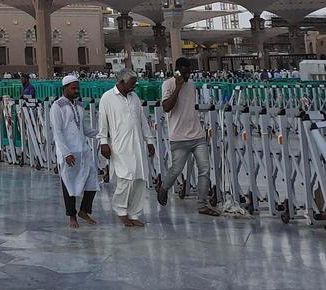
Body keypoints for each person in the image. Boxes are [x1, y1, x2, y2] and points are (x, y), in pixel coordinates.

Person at [98, 69, 155, 228]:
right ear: (122, 82)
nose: (135, 86)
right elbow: (103, 121)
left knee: (139, 178)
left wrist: (149, 140)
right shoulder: (107, 97)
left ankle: (134, 213)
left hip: (137, 145)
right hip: (119, 145)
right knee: (125, 178)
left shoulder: (134, 97)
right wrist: (103, 142)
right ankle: (121, 210)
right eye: (132, 83)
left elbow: (142, 120)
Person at [160, 57, 216, 216]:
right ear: (177, 71)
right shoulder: (168, 84)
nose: (188, 76)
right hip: (178, 137)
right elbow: (166, 107)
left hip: (197, 135)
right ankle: (164, 187)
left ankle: (202, 204)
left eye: (189, 72)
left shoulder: (191, 85)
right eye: (184, 73)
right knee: (176, 169)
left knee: (204, 169)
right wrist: (177, 87)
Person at [49, 75, 98, 227]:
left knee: (92, 181)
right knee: (68, 184)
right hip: (68, 152)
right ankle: (72, 216)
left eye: (78, 88)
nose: (76, 91)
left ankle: (84, 211)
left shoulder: (79, 105)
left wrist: (102, 133)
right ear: (65, 89)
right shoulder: (57, 106)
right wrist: (66, 153)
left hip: (83, 149)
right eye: (73, 88)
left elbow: (83, 128)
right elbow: (58, 132)